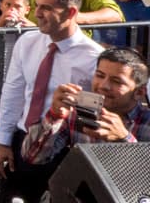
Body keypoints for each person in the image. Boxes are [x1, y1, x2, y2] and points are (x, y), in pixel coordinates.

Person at [0, 0, 103, 203]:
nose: (37, 13)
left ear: (70, 13)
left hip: (65, 151)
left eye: (46, 7)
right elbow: (13, 93)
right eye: (36, 5)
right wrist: (4, 141)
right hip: (23, 143)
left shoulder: (94, 58)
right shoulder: (27, 42)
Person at [21, 47, 150, 164]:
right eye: (100, 75)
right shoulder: (77, 114)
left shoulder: (146, 123)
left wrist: (124, 139)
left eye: (116, 81)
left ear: (139, 92)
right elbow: (32, 156)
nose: (103, 86)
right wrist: (54, 115)